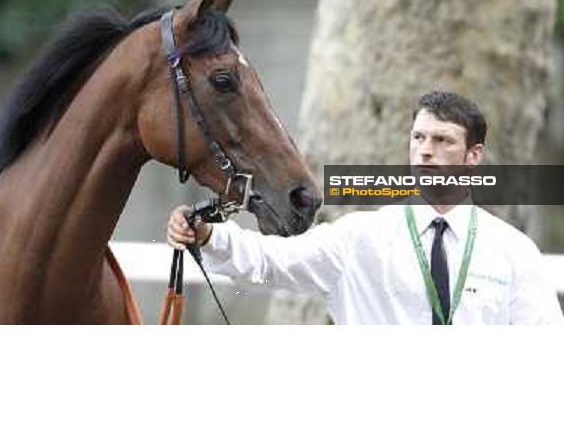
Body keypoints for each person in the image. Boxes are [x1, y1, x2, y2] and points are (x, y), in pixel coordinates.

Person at [166, 91, 563, 325]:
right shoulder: (359, 236)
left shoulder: (513, 251)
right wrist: (207, 234)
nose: (426, 150)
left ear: (474, 156)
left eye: (442, 140)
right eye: (419, 137)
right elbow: (271, 260)